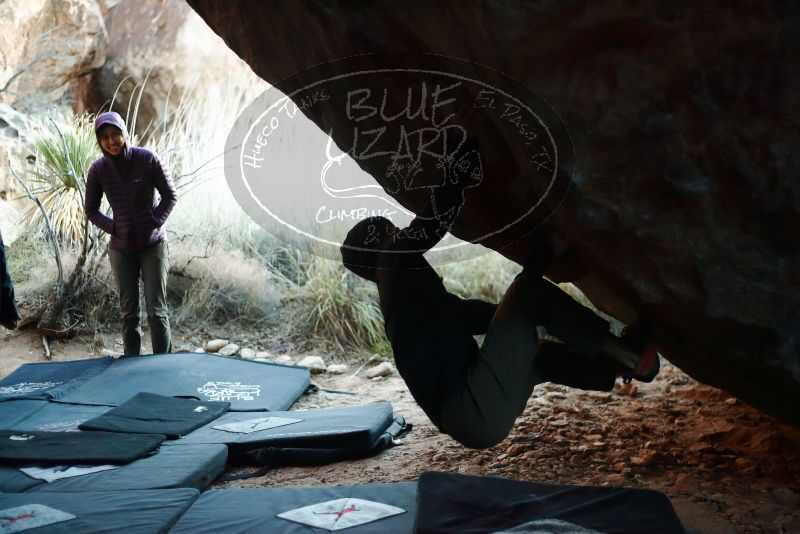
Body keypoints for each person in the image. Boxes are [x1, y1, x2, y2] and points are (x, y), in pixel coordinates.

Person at [340, 159, 659, 449]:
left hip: (474, 423)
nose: (397, 231)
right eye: (389, 230)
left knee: (537, 353)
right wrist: (457, 172)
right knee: (527, 295)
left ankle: (614, 367)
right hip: (472, 405)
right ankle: (629, 356)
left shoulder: (406, 298)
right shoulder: (392, 267)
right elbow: (430, 226)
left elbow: (473, 316)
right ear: (380, 241)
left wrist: (528, 293)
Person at [84, 111, 177, 355]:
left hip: (153, 245)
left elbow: (170, 195)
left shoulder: (147, 158)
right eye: (104, 137)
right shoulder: (98, 170)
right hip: (121, 249)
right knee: (129, 314)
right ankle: (132, 367)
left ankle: (162, 365)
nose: (111, 141)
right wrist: (114, 227)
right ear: (99, 141)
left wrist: (155, 220)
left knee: (157, 312)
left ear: (125, 133)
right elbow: (90, 209)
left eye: (115, 134)